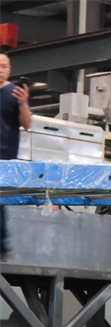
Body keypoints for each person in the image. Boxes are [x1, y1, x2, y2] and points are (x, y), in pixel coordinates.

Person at [0, 52, 31, 259]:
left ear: (9, 69)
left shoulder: (14, 94)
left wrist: (23, 104)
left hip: (4, 154)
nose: (0, 70)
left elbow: (27, 125)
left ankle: (2, 247)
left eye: (4, 66)